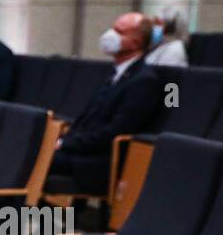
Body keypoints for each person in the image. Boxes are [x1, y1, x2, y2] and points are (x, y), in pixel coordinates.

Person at [46, 12, 160, 196]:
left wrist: (65, 144)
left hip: (99, 159)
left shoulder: (144, 81)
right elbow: (89, 117)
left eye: (119, 31)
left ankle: (7, 220)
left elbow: (115, 132)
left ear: (136, 42)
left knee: (33, 159)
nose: (110, 35)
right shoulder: (114, 73)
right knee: (26, 154)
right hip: (81, 150)